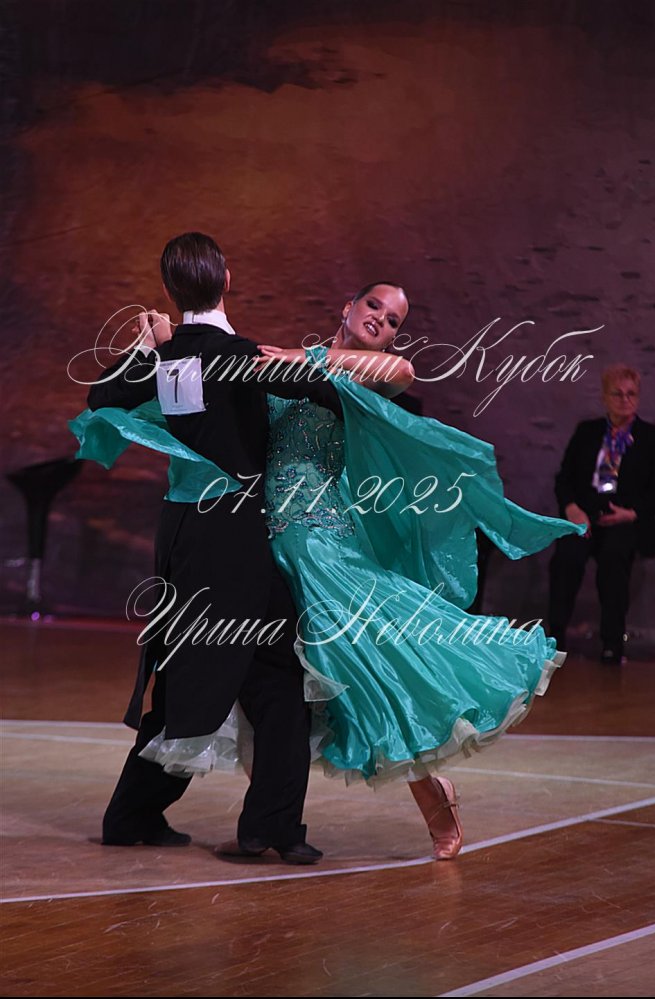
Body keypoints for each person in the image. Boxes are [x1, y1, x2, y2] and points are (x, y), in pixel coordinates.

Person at [75, 282, 585, 862]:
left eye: (393, 320)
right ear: (347, 306)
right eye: (374, 306)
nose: (381, 320)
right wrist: (170, 345)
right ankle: (264, 823)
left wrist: (300, 355)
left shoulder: (365, 373)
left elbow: (401, 371)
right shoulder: (273, 364)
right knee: (275, 693)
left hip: (324, 550)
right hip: (267, 547)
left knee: (371, 671)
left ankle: (430, 797)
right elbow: (217, 390)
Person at [82, 232, 346, 865]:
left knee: (205, 674)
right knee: (267, 676)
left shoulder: (169, 359)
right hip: (232, 534)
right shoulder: (244, 357)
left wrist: (148, 348)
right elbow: (334, 395)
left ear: (171, 290)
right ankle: (269, 826)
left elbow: (101, 398)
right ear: (227, 280)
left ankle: (141, 816)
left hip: (183, 535)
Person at [548, 363, 655, 664]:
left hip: (627, 518)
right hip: (585, 516)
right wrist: (572, 508)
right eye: (617, 394)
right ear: (604, 397)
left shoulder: (653, 437)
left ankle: (612, 644)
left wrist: (632, 513)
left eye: (631, 394)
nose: (625, 400)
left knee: (615, 558)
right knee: (567, 558)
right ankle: (554, 639)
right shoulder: (587, 432)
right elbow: (564, 479)